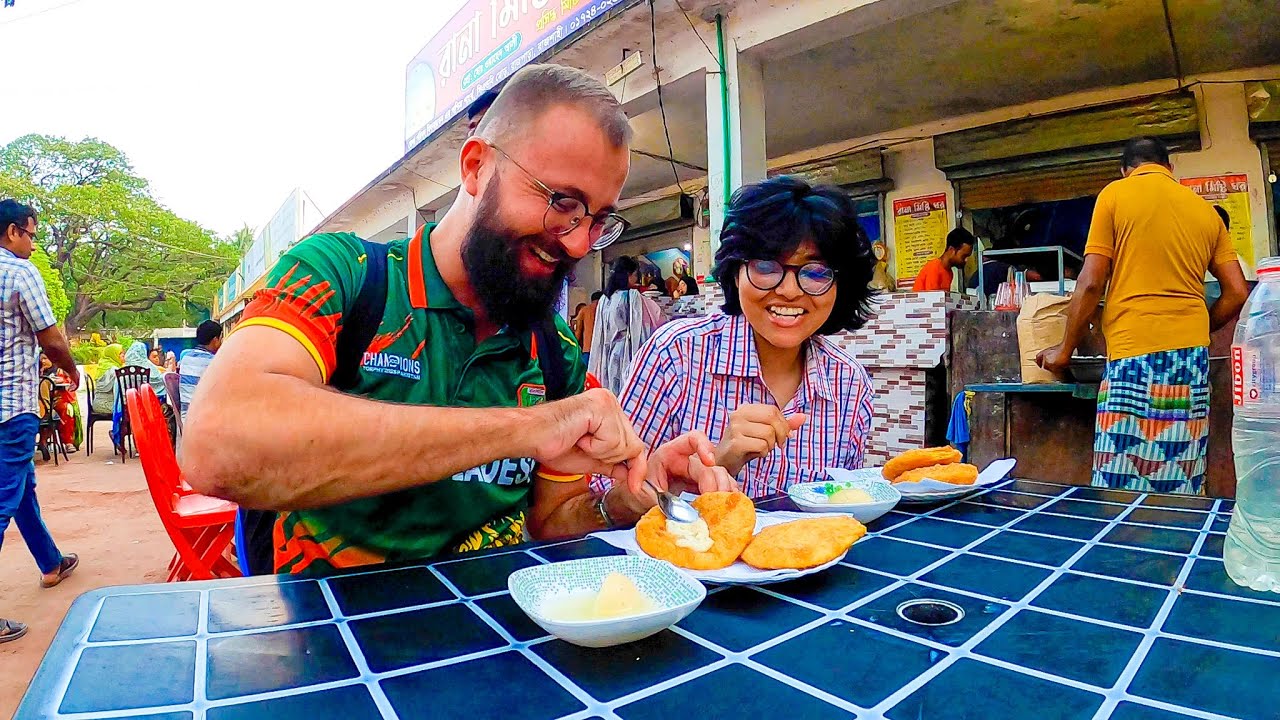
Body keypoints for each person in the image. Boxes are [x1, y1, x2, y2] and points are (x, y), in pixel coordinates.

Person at [181, 64, 732, 576]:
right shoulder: (346, 276)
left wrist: (624, 501)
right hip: (331, 642)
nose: (579, 242)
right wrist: (527, 429)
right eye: (561, 202)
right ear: (475, 166)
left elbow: (552, 523)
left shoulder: (553, 347)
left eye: (598, 219)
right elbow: (216, 445)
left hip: (502, 640)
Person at [617, 176, 877, 497]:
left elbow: (843, 504)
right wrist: (715, 467)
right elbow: (606, 497)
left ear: (841, 286)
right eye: (766, 266)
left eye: (816, 272)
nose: (788, 291)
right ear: (735, 272)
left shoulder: (850, 384)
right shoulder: (675, 355)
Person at [1038, 137, 1249, 495]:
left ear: (1126, 169)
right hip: (1190, 364)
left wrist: (1064, 349)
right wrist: (1198, 325)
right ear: (1170, 168)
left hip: (1132, 361)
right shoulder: (1204, 212)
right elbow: (1238, 292)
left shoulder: (1115, 195)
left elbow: (1090, 284)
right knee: (1180, 480)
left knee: (1119, 481)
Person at [0, 199, 80, 644]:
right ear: (12, 232)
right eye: (30, 233)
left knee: (20, 488)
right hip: (12, 405)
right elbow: (50, 335)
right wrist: (70, 368)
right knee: (3, 498)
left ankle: (51, 563)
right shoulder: (18, 272)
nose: (32, 242)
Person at [588, 256, 663, 395]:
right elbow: (656, 316)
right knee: (625, 388)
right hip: (625, 349)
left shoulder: (605, 298)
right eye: (635, 275)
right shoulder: (632, 296)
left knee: (610, 386)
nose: (636, 279)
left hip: (608, 350)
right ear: (628, 275)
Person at [178, 320, 223, 422]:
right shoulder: (215, 361)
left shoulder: (185, 358)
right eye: (221, 338)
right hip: (205, 421)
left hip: (186, 419)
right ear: (215, 340)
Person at [912, 228, 975, 292]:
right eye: (964, 256)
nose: (966, 260)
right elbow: (932, 298)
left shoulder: (949, 273)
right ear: (951, 250)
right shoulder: (934, 268)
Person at [39, 353, 81, 450]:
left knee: (66, 409)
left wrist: (61, 380)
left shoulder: (59, 370)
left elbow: (69, 383)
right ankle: (43, 440)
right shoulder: (36, 372)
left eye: (46, 358)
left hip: (57, 399)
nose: (43, 361)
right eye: (41, 359)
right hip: (41, 402)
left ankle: (68, 442)